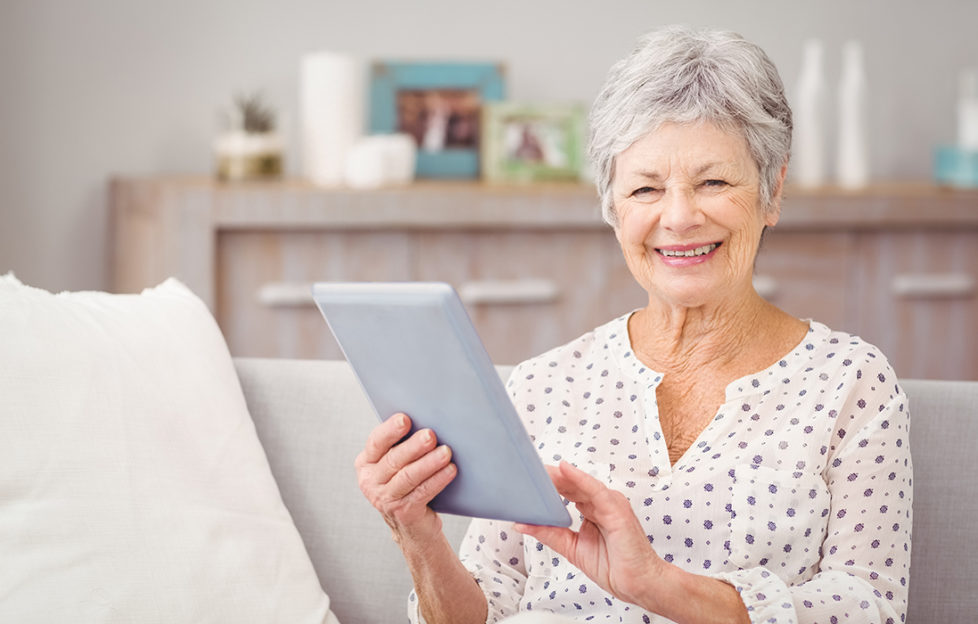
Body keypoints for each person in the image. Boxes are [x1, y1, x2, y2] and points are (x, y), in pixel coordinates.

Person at [355, 25, 912, 624]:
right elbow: (489, 605)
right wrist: (416, 534)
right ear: (612, 208)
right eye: (646, 188)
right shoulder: (542, 385)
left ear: (771, 193)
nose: (678, 217)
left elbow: (871, 606)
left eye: (714, 182)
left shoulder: (852, 383)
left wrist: (660, 587)